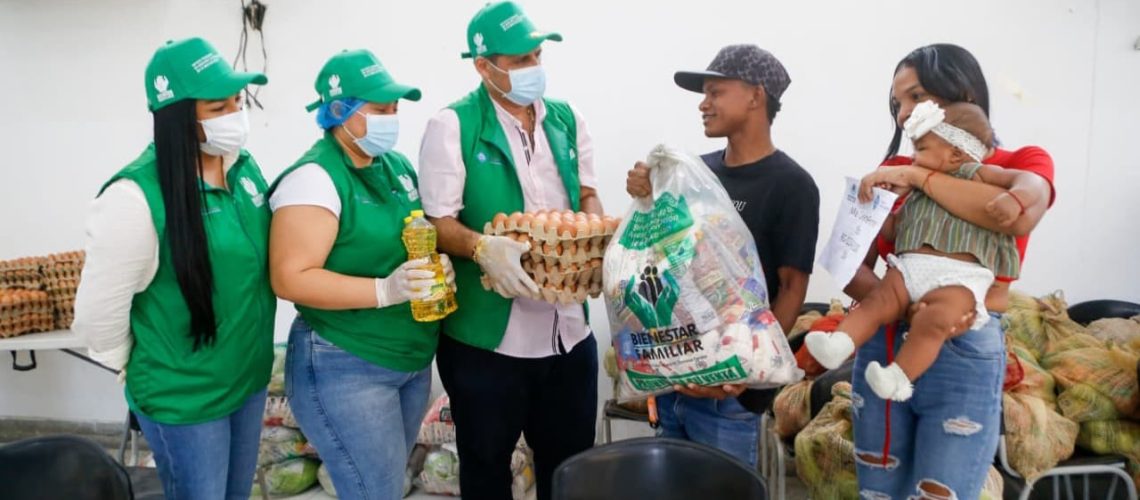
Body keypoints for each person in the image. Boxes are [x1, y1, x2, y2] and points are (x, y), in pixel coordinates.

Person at [843, 43, 1054, 500]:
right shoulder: (891, 169)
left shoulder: (1017, 166)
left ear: (960, 94)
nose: (903, 115)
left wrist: (920, 179)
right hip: (884, 340)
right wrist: (897, 298)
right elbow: (848, 265)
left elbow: (1014, 216)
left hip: (963, 347)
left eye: (915, 97)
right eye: (897, 103)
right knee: (877, 491)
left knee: (942, 492)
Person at [73, 37, 274, 499]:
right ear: (179, 117)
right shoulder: (134, 199)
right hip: (185, 400)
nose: (235, 115)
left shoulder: (241, 167)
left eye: (238, 102)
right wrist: (158, 366)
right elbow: (97, 321)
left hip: (246, 380)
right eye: (218, 106)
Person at [417, 2, 603, 498]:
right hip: (489, 342)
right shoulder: (452, 126)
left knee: (570, 470)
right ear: (483, 66)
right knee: (485, 465)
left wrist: (595, 236)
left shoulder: (567, 119)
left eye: (537, 55)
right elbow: (437, 222)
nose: (533, 68)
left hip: (568, 332)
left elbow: (586, 193)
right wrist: (482, 247)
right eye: (519, 60)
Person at [268, 49, 453, 500]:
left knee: (389, 486)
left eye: (394, 109)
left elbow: (411, 237)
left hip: (407, 359)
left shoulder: (396, 168)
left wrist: (439, 263)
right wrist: (383, 289)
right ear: (339, 113)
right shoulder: (315, 178)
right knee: (376, 490)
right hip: (345, 362)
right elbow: (290, 277)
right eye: (379, 110)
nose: (391, 118)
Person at [625, 44, 819, 466]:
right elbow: (664, 258)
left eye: (716, 92)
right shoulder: (695, 174)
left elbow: (791, 288)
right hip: (675, 382)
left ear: (756, 96)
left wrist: (741, 375)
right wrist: (647, 196)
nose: (703, 104)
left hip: (727, 400)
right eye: (704, 93)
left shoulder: (791, 185)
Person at [804, 101, 1041, 402]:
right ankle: (840, 343)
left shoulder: (980, 175)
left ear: (955, 152)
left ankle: (899, 377)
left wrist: (1018, 199)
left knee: (935, 322)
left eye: (922, 149)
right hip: (910, 267)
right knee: (878, 301)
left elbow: (1029, 180)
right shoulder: (914, 191)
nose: (914, 158)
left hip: (960, 277)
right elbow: (896, 234)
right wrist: (882, 213)